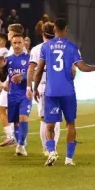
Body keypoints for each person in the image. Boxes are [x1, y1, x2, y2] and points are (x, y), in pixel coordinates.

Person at [32, 18, 95, 167]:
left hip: (51, 91)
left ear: (54, 30)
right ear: (66, 29)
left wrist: (35, 88)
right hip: (67, 91)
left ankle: (51, 152)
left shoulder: (46, 47)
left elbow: (39, 70)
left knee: (49, 124)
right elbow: (82, 67)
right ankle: (69, 159)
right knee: (70, 123)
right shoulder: (72, 47)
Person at [26, 23, 59, 153]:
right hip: (58, 86)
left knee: (44, 119)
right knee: (55, 119)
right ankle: (53, 148)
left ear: (42, 33)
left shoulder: (37, 49)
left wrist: (29, 87)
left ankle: (47, 149)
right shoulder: (62, 47)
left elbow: (31, 70)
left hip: (42, 86)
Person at [3, 32, 31, 156]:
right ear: (11, 44)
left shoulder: (29, 58)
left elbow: (34, 75)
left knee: (23, 117)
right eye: (14, 43)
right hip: (12, 94)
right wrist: (0, 68)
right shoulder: (8, 60)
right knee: (15, 122)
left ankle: (20, 145)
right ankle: (20, 144)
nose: (17, 45)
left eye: (19, 42)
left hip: (25, 93)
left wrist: (23, 77)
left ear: (23, 43)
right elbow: (3, 76)